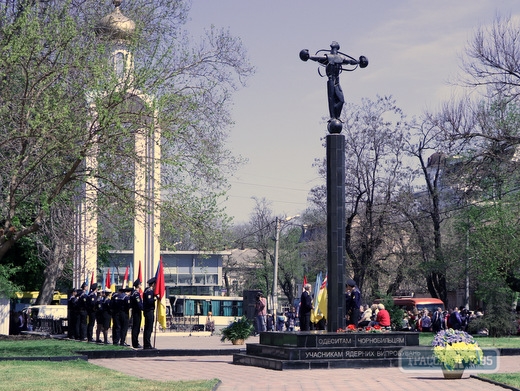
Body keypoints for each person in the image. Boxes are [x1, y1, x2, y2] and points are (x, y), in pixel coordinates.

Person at [142, 277, 156, 349]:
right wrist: (155, 298)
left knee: (148, 328)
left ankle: (147, 344)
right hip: (148, 311)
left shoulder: (148, 290)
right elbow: (149, 301)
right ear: (153, 284)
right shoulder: (149, 291)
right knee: (148, 328)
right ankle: (147, 344)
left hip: (149, 311)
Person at [130, 279, 143, 348]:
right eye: (140, 284)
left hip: (135, 311)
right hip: (137, 312)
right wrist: (143, 308)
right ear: (138, 285)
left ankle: (135, 342)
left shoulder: (133, 293)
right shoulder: (136, 293)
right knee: (136, 328)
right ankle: (135, 343)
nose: (141, 285)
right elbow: (139, 303)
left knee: (135, 327)